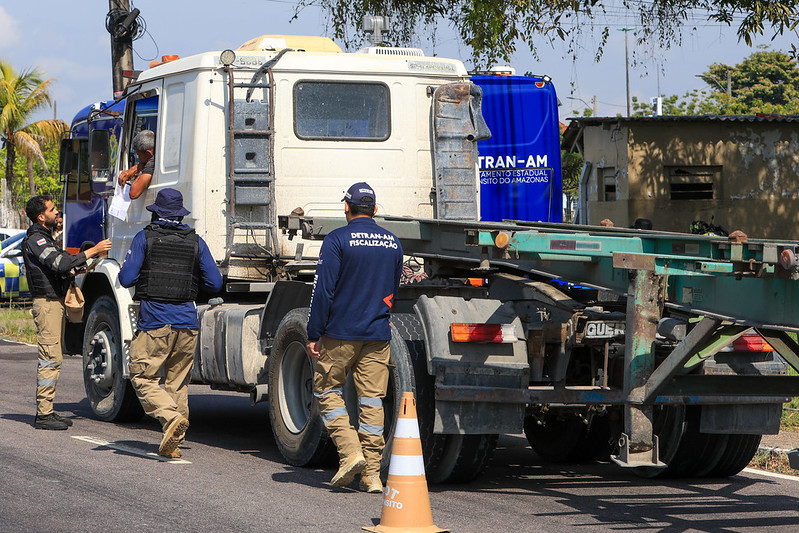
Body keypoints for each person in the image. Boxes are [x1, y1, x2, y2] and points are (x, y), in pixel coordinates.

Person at [306, 182, 403, 493]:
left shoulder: (337, 240)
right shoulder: (392, 242)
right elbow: (394, 287)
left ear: (346, 207)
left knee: (326, 392)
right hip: (377, 334)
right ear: (374, 209)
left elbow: (323, 290)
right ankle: (372, 475)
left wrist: (314, 332)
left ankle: (351, 452)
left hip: (340, 334)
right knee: (373, 402)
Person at [118, 188, 222, 458]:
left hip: (155, 323)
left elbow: (126, 279)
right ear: (180, 214)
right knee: (177, 383)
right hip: (188, 324)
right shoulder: (196, 241)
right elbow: (215, 283)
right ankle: (173, 441)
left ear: (156, 213)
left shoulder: (145, 238)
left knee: (142, 376)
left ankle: (169, 418)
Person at [22, 195, 112, 430]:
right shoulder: (36, 240)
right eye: (52, 210)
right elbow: (59, 263)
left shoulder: (44, 238)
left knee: (54, 358)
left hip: (54, 303)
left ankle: (47, 411)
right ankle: (44, 414)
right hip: (47, 305)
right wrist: (94, 251)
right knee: (50, 358)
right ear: (41, 217)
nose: (57, 213)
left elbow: (60, 268)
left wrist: (79, 268)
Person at [117, 129, 155, 199]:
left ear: (148, 153)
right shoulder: (152, 156)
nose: (139, 159)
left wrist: (140, 172)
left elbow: (133, 194)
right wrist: (132, 171)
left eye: (139, 155)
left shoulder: (152, 162)